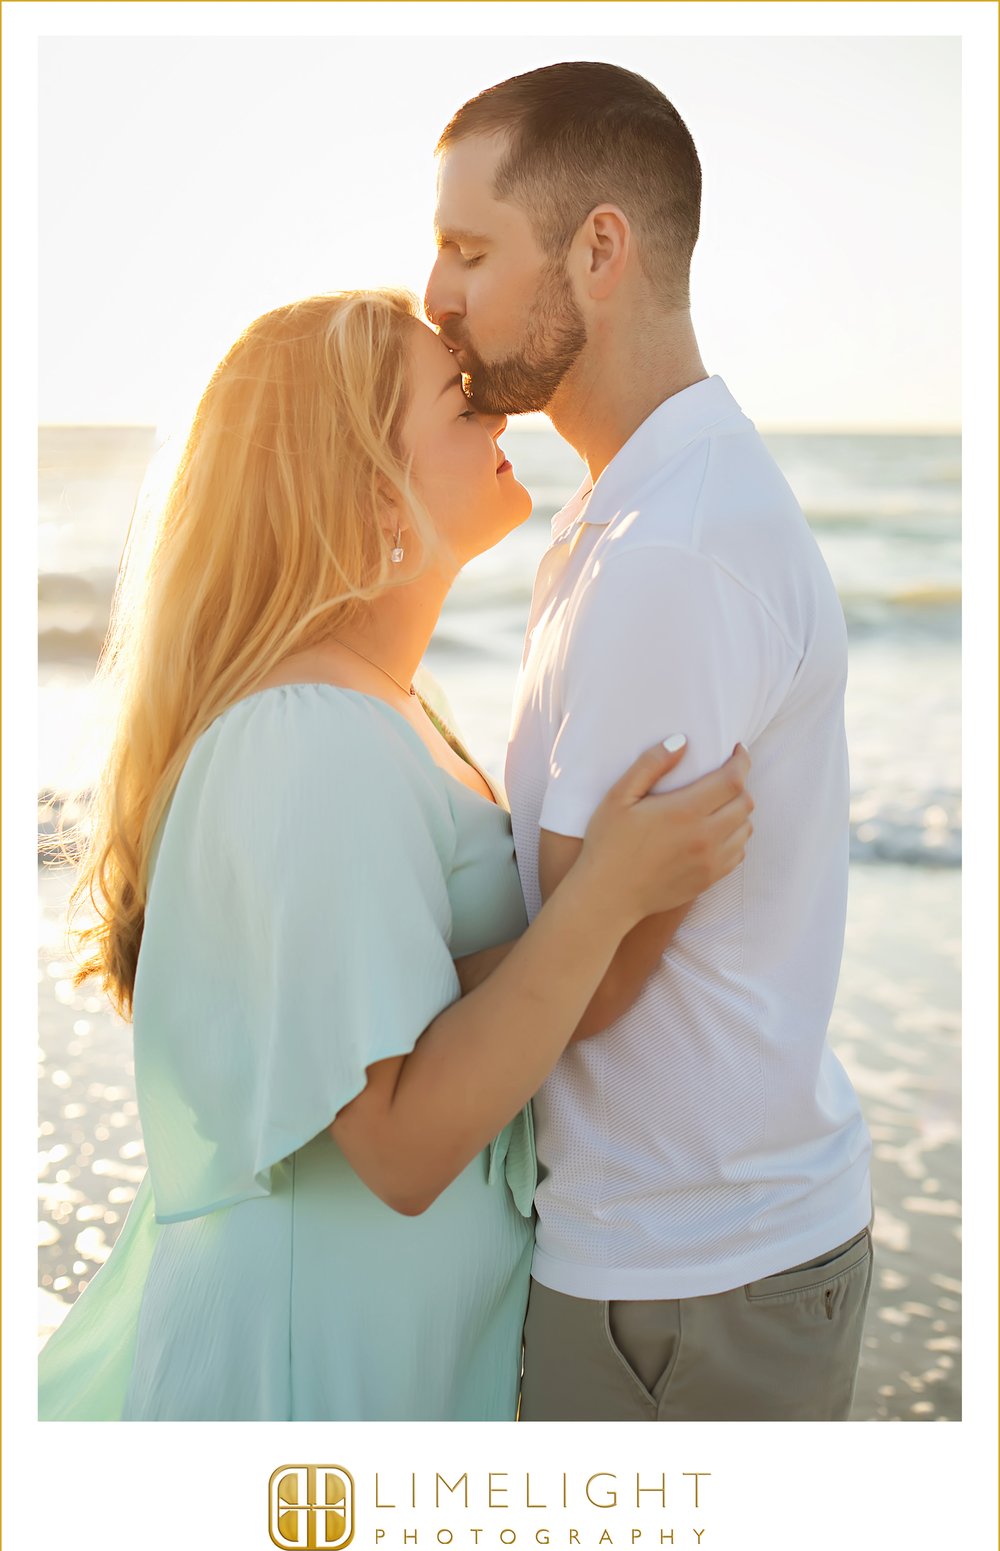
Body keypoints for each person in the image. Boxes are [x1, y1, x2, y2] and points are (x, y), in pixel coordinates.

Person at [37, 288, 753, 1421]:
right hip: (310, 1369)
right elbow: (399, 1146)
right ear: (373, 484)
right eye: (459, 401)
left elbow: (426, 1007)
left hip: (386, 1341)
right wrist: (603, 897)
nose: (499, 418)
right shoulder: (308, 737)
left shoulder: (378, 707)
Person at [426, 61, 874, 1422]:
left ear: (599, 248)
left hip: (689, 1286)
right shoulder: (645, 509)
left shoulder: (672, 551)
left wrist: (342, 1001)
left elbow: (596, 966)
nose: (436, 297)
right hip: (691, 1262)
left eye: (468, 248)